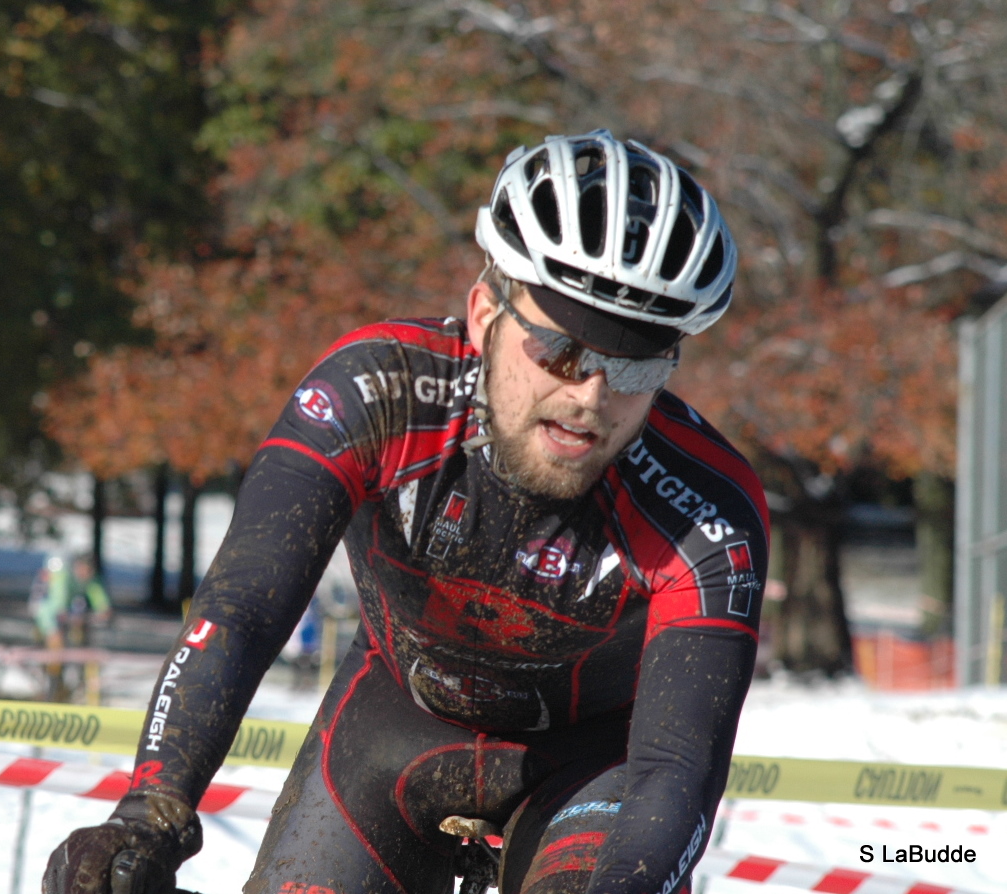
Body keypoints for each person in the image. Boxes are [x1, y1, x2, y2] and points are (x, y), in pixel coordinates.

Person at [44, 130, 769, 894]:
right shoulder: (379, 392)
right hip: (393, 725)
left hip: (596, 767)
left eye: (635, 365)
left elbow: (675, 767)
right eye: (560, 350)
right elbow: (242, 609)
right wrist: (150, 810)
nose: (591, 395)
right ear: (486, 310)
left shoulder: (704, 510)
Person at [30, 553, 112, 699]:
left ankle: (78, 681)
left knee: (82, 640)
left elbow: (99, 598)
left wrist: (103, 609)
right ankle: (52, 683)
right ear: (77, 567)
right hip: (48, 613)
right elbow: (58, 602)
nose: (86, 573)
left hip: (67, 615)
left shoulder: (90, 579)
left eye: (89, 570)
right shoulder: (63, 577)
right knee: (56, 641)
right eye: (84, 569)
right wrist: (66, 614)